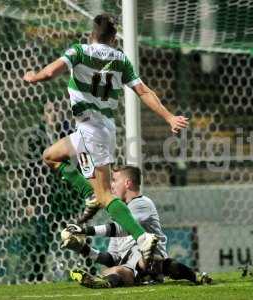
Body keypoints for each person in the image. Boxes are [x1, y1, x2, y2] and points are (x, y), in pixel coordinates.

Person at [23, 13, 189, 264]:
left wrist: (33, 76)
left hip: (93, 131)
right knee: (51, 156)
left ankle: (142, 237)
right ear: (113, 38)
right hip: (93, 129)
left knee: (106, 196)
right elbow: (143, 91)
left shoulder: (78, 51)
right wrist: (168, 117)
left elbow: (49, 73)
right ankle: (90, 194)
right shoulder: (121, 58)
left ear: (92, 34)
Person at [64, 165, 212, 288]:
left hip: (152, 264)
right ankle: (104, 283)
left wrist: (85, 230)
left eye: (115, 180)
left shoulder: (142, 203)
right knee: (113, 269)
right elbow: (112, 258)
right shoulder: (117, 214)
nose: (112, 185)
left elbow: (123, 228)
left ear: (127, 183)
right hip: (130, 268)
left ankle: (194, 276)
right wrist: (82, 248)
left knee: (146, 257)